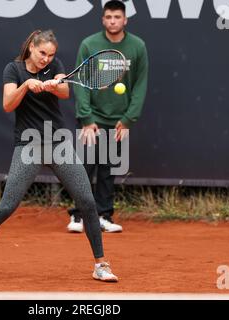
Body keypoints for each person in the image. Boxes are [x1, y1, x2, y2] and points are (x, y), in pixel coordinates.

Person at [0, 30, 119, 282]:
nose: (46, 59)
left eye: (51, 55)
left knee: (87, 200)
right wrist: (26, 86)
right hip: (29, 145)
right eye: (42, 53)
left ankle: (100, 264)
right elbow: (8, 104)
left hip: (59, 143)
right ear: (31, 47)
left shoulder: (55, 66)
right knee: (7, 206)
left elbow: (64, 91)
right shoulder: (13, 69)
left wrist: (54, 85)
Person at [67, 0, 149, 233]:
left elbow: (140, 85)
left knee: (108, 170)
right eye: (109, 17)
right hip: (91, 120)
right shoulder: (89, 44)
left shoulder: (138, 46)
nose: (113, 21)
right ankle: (78, 216)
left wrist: (128, 119)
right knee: (84, 168)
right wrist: (86, 118)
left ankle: (104, 215)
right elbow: (81, 84)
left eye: (117, 17)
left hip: (119, 121)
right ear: (103, 20)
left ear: (125, 20)